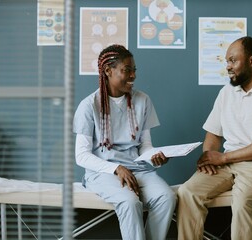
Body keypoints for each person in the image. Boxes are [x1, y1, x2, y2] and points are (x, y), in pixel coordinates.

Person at [176, 36, 252, 240]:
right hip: (228, 163)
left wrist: (222, 159)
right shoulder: (226, 92)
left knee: (243, 199)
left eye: (233, 60)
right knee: (187, 193)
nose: (228, 66)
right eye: (227, 61)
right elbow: (212, 134)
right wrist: (208, 157)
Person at [73, 44, 177, 240]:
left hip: (138, 169)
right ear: (108, 71)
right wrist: (116, 168)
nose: (133, 76)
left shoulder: (143, 100)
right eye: (126, 70)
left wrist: (153, 156)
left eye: (134, 70)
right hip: (103, 173)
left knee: (167, 197)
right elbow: (81, 155)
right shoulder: (88, 106)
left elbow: (145, 145)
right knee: (130, 202)